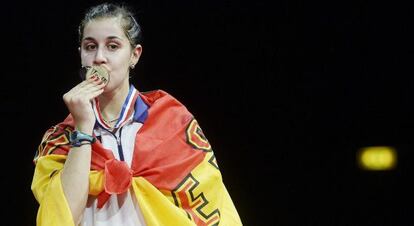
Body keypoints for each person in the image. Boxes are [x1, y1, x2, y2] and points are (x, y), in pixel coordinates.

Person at [31, 2, 242, 226]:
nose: (99, 57)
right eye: (90, 46)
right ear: (81, 55)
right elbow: (62, 218)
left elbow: (210, 203)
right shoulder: (61, 138)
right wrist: (83, 126)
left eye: (112, 46)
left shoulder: (171, 121)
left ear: (134, 55)